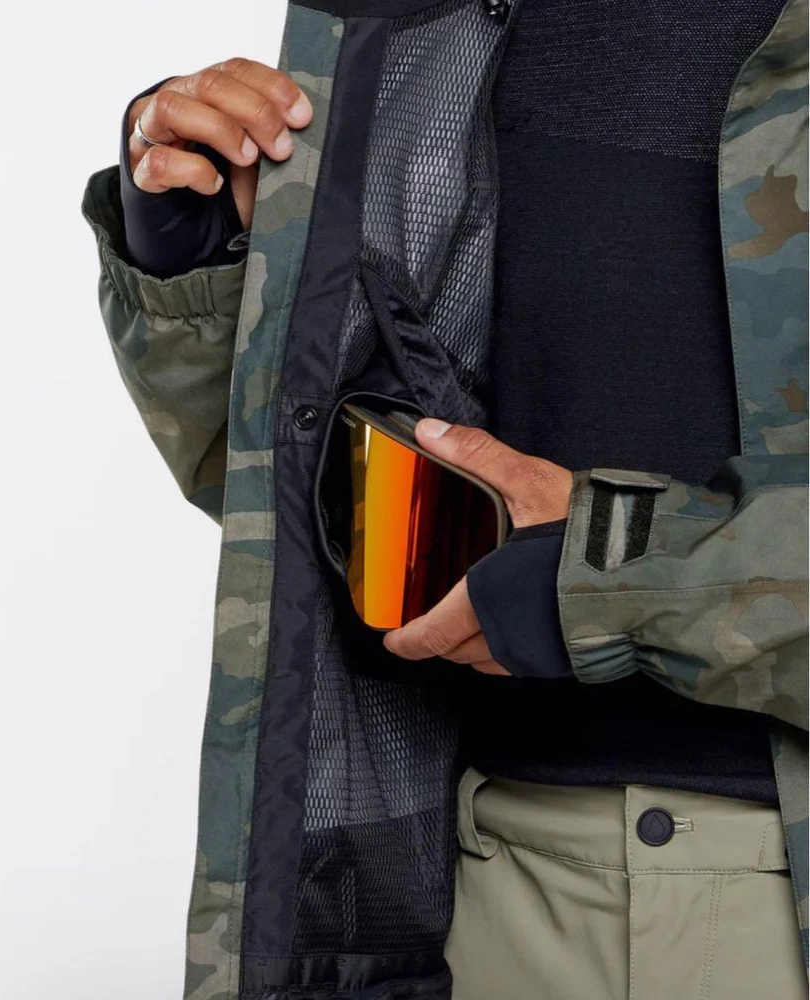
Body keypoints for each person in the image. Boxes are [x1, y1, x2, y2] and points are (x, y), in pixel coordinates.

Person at [82, 1, 808, 998]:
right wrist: (201, 266)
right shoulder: (434, 22)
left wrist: (605, 575)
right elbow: (311, 516)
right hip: (465, 890)